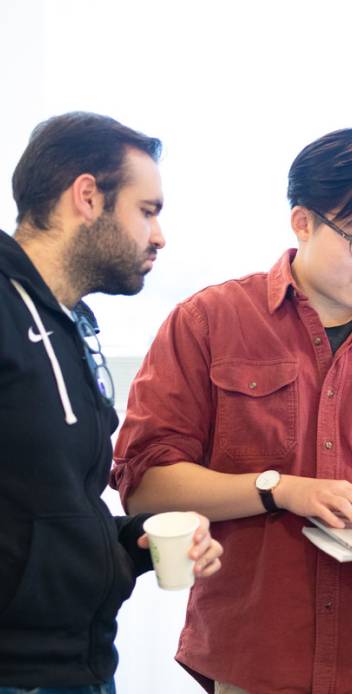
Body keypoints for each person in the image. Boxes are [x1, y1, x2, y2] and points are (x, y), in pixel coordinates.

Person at [110, 127, 352, 694]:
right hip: (264, 652)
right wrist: (280, 489)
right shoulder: (208, 323)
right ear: (303, 222)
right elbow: (145, 486)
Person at [0, 112, 222, 693]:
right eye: (147, 211)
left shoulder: (75, 325)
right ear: (87, 197)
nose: (159, 236)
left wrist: (132, 540)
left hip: (83, 660)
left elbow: (56, 501)